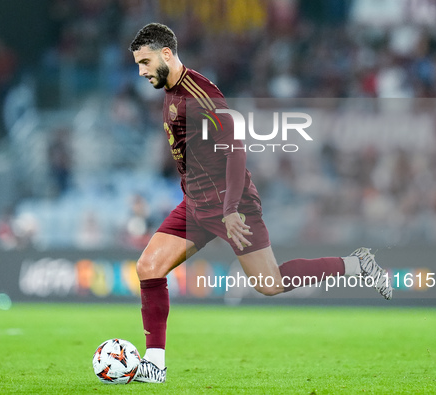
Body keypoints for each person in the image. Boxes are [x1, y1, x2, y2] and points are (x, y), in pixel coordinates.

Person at [128, 23, 393, 383]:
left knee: (269, 283)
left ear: (166, 55)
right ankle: (154, 365)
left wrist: (232, 208)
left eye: (144, 63)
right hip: (195, 203)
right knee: (148, 266)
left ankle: (357, 263)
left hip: (229, 204)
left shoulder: (199, 96)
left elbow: (236, 150)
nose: (141, 72)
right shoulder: (171, 88)